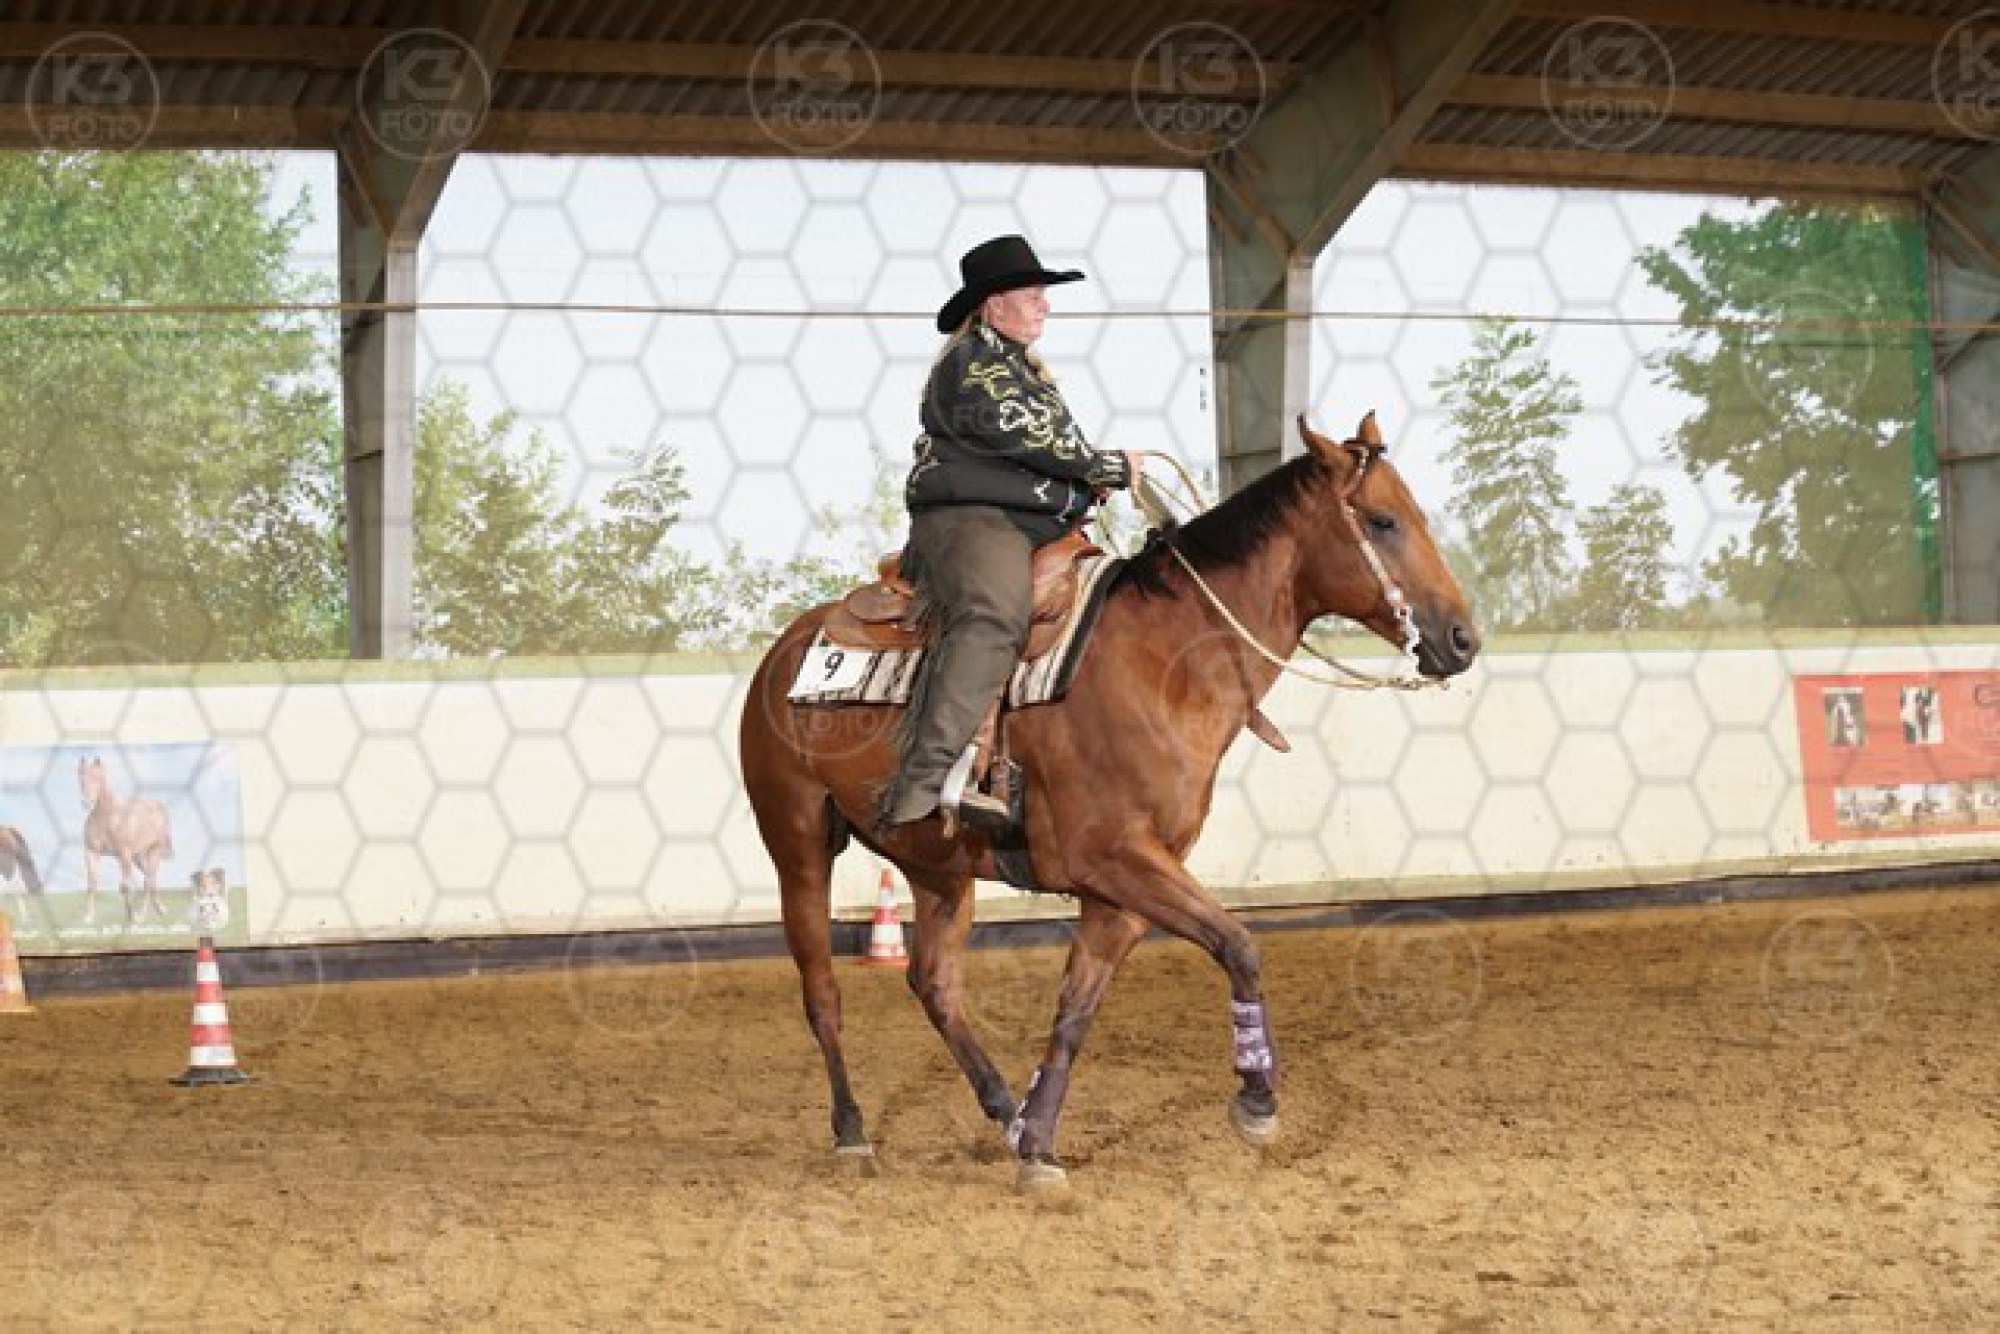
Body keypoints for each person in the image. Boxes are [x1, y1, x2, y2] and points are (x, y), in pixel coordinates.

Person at [878, 235, 1142, 829]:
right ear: (995, 305)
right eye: (1033, 293)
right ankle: (922, 784)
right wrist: (1109, 467)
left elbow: (1047, 454)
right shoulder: (975, 364)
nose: (1045, 304)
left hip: (1031, 521)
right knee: (995, 613)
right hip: (971, 519)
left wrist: (1086, 486)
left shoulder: (1019, 369)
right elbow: (1038, 443)